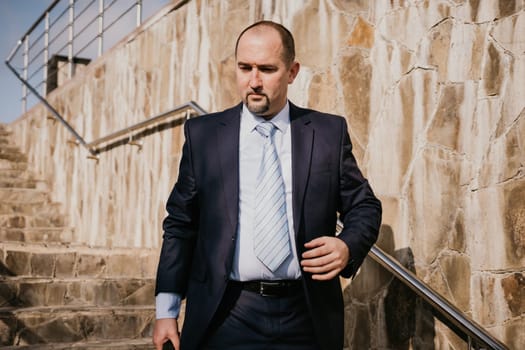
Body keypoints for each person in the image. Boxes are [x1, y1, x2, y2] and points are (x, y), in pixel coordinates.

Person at [153, 20, 382, 350]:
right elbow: (180, 224)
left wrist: (347, 245)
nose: (254, 81)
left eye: (267, 69)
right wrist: (166, 311)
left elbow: (364, 206)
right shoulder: (203, 136)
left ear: (292, 72)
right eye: (245, 67)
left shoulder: (327, 133)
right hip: (226, 312)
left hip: (306, 314)